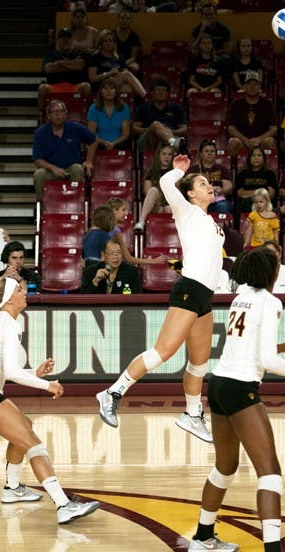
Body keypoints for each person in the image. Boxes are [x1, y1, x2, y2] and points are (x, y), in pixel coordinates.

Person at [188, 248, 285, 552]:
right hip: (240, 388)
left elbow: (251, 348)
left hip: (219, 384)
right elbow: (267, 361)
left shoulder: (241, 297)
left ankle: (203, 537)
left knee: (225, 467)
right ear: (271, 274)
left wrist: (284, 346)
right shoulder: (271, 301)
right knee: (270, 472)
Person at [95, 154, 225, 443]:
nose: (208, 186)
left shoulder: (210, 221)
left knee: (200, 362)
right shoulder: (187, 211)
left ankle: (192, 414)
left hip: (205, 295)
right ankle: (112, 393)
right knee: (162, 352)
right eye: (202, 184)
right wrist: (180, 171)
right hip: (190, 288)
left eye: (208, 183)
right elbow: (166, 182)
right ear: (190, 193)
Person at [0, 276, 100, 523]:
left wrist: (35, 374)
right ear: (8, 299)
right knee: (34, 445)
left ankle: (13, 488)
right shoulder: (7, 323)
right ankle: (63, 505)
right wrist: (47, 384)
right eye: (19, 289)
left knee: (24, 427)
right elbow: (13, 373)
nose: (24, 291)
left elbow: (5, 371)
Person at [32, 99, 97, 200]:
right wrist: (54, 168)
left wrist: (88, 161)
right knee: (39, 174)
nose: (58, 115)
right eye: (55, 112)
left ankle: (78, 204)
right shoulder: (40, 133)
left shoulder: (75, 128)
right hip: (51, 171)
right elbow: (38, 159)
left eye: (61, 111)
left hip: (71, 168)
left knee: (78, 169)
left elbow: (94, 140)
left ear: (66, 114)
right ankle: (43, 206)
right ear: (48, 116)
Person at [37, 28, 92, 111]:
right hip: (54, 86)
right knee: (42, 88)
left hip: (74, 86)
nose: (65, 40)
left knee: (87, 87)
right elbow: (49, 69)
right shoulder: (51, 54)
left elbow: (79, 66)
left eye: (68, 37)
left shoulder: (78, 53)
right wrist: (71, 64)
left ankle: (90, 112)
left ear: (72, 39)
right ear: (58, 39)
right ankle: (43, 114)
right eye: (62, 37)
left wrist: (59, 63)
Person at [227, 71, 278, 158]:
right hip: (242, 141)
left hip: (261, 141)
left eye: (255, 84)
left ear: (260, 87)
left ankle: (270, 170)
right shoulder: (236, 103)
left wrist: (259, 139)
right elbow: (231, 128)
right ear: (244, 87)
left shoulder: (268, 104)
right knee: (233, 142)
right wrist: (245, 140)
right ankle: (232, 170)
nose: (252, 87)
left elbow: (274, 128)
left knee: (270, 141)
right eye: (249, 84)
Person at [132, 76, 187, 156]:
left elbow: (184, 129)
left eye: (163, 90)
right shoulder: (143, 108)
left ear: (167, 93)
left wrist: (166, 131)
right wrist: (152, 129)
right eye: (158, 90)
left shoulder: (176, 108)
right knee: (155, 124)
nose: (161, 92)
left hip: (170, 134)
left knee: (160, 131)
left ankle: (170, 143)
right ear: (152, 92)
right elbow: (135, 129)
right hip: (148, 140)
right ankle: (174, 145)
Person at [107, 197, 167, 265]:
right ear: (114, 211)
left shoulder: (106, 227)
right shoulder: (115, 231)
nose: (126, 213)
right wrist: (154, 261)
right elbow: (128, 258)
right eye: (123, 210)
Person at [87, 29, 146, 97]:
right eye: (105, 41)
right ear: (101, 43)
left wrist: (115, 76)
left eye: (110, 40)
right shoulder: (95, 57)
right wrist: (108, 74)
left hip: (115, 84)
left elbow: (125, 75)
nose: (108, 43)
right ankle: (145, 97)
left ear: (114, 43)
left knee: (127, 87)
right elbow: (92, 79)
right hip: (101, 86)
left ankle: (124, 107)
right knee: (126, 75)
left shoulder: (119, 58)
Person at [134, 144, 174, 231]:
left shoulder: (176, 172)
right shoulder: (151, 173)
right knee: (153, 190)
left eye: (169, 154)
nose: (166, 157)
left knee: (167, 208)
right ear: (158, 156)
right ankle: (141, 221)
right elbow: (148, 193)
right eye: (164, 154)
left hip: (171, 204)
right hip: (156, 204)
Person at [233, 147, 278, 224]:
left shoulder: (269, 174)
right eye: (253, 155)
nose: (256, 158)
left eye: (259, 155)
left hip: (265, 204)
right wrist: (261, 192)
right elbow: (240, 194)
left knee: (253, 201)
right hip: (245, 205)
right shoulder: (242, 174)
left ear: (263, 159)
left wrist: (249, 194)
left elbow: (270, 194)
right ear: (249, 159)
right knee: (247, 201)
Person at [187, 139, 233, 213]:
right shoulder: (193, 170)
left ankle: (220, 225)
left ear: (215, 154)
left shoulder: (222, 169)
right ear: (201, 154)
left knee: (223, 206)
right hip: (198, 200)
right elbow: (187, 186)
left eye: (212, 151)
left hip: (217, 200)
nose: (209, 153)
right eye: (206, 151)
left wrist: (221, 190)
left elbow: (228, 186)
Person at [87, 78, 131, 151]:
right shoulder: (94, 108)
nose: (109, 91)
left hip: (119, 143)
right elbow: (92, 133)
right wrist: (105, 143)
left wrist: (114, 143)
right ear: (101, 92)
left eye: (112, 88)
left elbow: (125, 134)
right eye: (106, 88)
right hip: (99, 143)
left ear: (116, 92)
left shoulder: (124, 107)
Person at [113, 10, 142, 74]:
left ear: (130, 21)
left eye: (128, 18)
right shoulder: (112, 34)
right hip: (115, 59)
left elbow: (133, 57)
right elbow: (113, 53)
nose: (125, 21)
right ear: (118, 19)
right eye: (123, 18)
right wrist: (118, 63)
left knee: (135, 68)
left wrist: (123, 64)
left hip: (129, 61)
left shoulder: (134, 36)